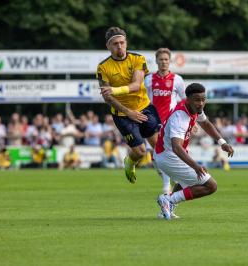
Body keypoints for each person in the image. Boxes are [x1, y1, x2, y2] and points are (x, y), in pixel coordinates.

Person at [154, 83, 234, 220]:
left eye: (203, 99)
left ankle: (166, 209)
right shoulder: (180, 116)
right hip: (168, 156)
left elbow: (206, 124)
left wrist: (222, 142)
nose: (201, 103)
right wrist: (196, 166)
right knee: (210, 186)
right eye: (197, 100)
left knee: (183, 181)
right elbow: (176, 147)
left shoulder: (196, 109)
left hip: (168, 154)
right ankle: (169, 200)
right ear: (188, 99)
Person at [97, 26, 161, 183]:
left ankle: (168, 182)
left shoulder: (138, 59)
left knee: (159, 148)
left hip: (144, 107)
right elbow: (108, 98)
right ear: (108, 46)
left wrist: (113, 90)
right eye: (115, 44)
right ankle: (129, 162)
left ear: (126, 42)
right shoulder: (103, 67)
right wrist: (128, 112)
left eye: (122, 42)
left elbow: (136, 85)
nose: (120, 46)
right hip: (122, 114)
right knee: (140, 152)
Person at [144, 48, 186, 195]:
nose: (163, 62)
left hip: (170, 124)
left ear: (170, 61)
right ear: (156, 61)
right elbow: (142, 100)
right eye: (161, 59)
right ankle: (170, 181)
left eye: (166, 59)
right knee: (154, 157)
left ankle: (166, 188)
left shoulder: (177, 80)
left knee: (165, 154)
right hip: (151, 123)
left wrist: (191, 122)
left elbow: (185, 101)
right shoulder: (148, 79)